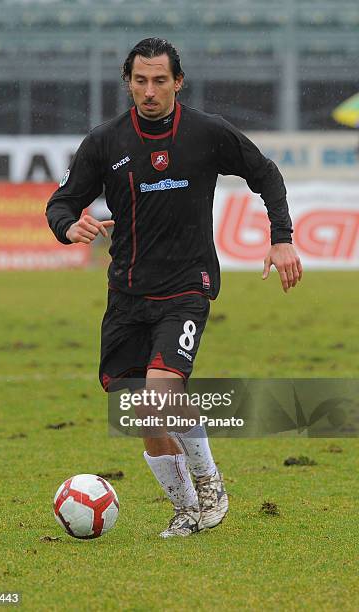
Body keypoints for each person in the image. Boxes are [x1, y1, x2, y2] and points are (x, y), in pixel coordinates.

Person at [46, 37, 302, 538]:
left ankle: (209, 484)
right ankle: (187, 510)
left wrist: (282, 237)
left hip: (187, 286)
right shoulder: (105, 142)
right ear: (128, 83)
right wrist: (66, 225)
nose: (149, 90)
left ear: (177, 82)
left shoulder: (205, 133)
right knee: (139, 410)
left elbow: (265, 174)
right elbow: (62, 201)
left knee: (160, 394)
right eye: (140, 81)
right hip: (126, 294)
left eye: (160, 80)